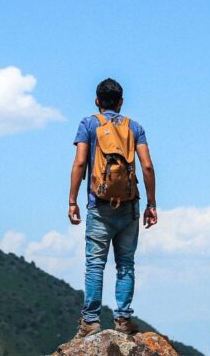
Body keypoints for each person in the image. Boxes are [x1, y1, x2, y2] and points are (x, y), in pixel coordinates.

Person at [68, 78, 157, 338]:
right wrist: (151, 204)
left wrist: (72, 201)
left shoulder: (89, 124)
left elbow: (80, 162)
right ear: (121, 102)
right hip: (129, 205)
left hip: (99, 204)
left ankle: (90, 321)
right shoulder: (135, 127)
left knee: (95, 263)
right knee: (126, 264)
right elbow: (147, 166)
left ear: (97, 101)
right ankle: (123, 320)